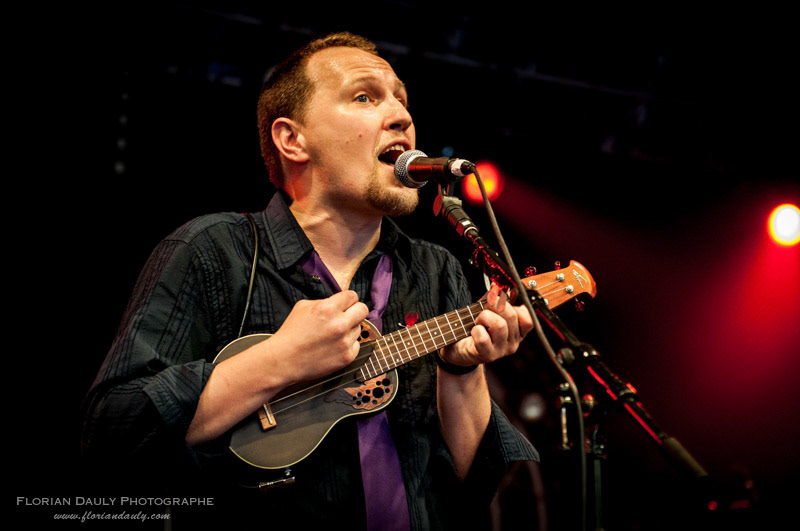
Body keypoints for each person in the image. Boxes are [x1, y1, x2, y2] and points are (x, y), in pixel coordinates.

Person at [81, 32, 539, 529]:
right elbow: (113, 433)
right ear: (292, 140)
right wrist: (278, 361)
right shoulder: (214, 251)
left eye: (402, 100)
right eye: (364, 97)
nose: (401, 117)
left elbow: (472, 488)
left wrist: (460, 372)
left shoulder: (435, 269)